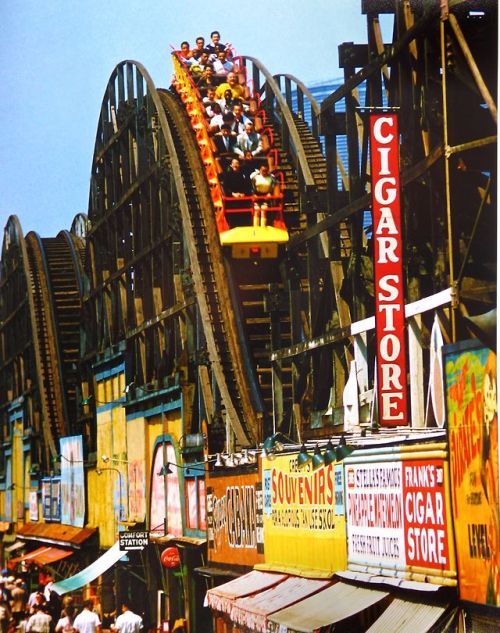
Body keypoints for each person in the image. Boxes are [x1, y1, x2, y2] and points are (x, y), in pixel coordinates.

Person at [250, 163, 278, 227]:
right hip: (257, 195)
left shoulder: (271, 178)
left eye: (265, 170)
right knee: (256, 210)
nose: (264, 172)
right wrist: (253, 194)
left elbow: (273, 187)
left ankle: (263, 227)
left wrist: (270, 193)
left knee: (264, 210)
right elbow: (251, 187)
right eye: (262, 170)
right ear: (260, 170)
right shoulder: (255, 178)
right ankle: (256, 228)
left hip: (266, 196)